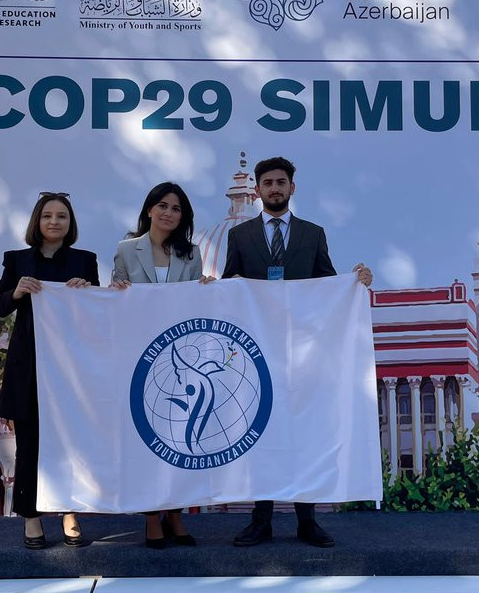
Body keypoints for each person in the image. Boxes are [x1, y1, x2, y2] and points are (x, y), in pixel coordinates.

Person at [222, 156, 373, 548]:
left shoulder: (313, 234)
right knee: (262, 434)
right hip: (258, 352)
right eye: (267, 183)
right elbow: (229, 286)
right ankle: (261, 520)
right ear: (257, 190)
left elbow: (327, 284)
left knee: (306, 433)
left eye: (281, 182)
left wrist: (353, 283)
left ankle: (308, 520)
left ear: (292, 187)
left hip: (304, 353)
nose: (274, 188)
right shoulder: (240, 237)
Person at [0, 192, 99, 549]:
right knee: (30, 447)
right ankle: (31, 517)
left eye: (62, 216)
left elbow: (97, 312)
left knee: (71, 445)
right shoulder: (17, 260)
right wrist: (16, 292)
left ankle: (70, 512)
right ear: (37, 221)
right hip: (29, 369)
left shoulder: (85, 261)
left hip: (70, 370)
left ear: (70, 223)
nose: (54, 221)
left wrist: (87, 292)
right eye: (48, 215)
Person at [112, 182, 214, 549]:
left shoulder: (192, 254)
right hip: (139, 355)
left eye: (176, 208)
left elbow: (194, 305)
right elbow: (115, 300)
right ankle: (152, 517)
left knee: (178, 437)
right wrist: (116, 290)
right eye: (163, 206)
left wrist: (207, 288)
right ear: (150, 210)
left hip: (179, 356)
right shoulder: (126, 249)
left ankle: (175, 512)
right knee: (147, 438)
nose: (169, 213)